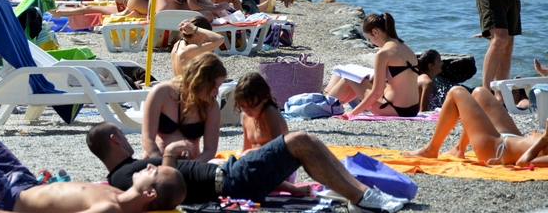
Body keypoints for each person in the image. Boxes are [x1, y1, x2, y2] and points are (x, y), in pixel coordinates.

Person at [91, 122, 408, 213]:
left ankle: (363, 194)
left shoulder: (129, 170)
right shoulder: (123, 177)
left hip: (232, 177)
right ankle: (363, 197)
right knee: (299, 140)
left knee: (303, 142)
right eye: (121, 133)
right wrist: (170, 155)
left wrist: (289, 188)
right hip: (228, 182)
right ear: (114, 140)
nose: (125, 135)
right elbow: (168, 191)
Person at [0, 116, 186, 213]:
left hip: (5, 198)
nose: (149, 166)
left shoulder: (111, 208)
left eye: (154, 171)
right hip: (24, 182)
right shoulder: (118, 192)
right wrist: (170, 156)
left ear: (149, 194)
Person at [403, 86, 548, 167]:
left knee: (456, 92)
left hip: (497, 151)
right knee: (480, 92)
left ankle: (431, 149)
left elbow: (523, 162)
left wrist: (544, 138)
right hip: (512, 137)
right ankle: (459, 148)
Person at [324, 12, 420, 118]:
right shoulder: (406, 48)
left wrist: (352, 113)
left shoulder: (383, 53)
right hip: (413, 109)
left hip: (392, 108)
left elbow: (376, 93)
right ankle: (331, 105)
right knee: (366, 78)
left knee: (349, 78)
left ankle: (324, 107)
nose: (371, 43)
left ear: (375, 32)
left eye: (369, 38)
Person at [233, 73, 310, 196]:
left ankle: (294, 189)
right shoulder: (245, 116)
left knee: (249, 169)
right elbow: (246, 147)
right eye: (243, 106)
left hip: (278, 168)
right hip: (256, 166)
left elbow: (278, 151)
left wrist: (251, 154)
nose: (247, 110)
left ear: (265, 97)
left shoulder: (269, 113)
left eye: (252, 105)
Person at [142, 53, 226, 163]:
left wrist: (191, 167)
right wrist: (161, 162)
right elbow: (147, 139)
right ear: (200, 80)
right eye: (214, 87)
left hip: (192, 163)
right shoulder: (161, 93)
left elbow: (210, 151)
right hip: (157, 159)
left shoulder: (210, 106)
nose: (216, 92)